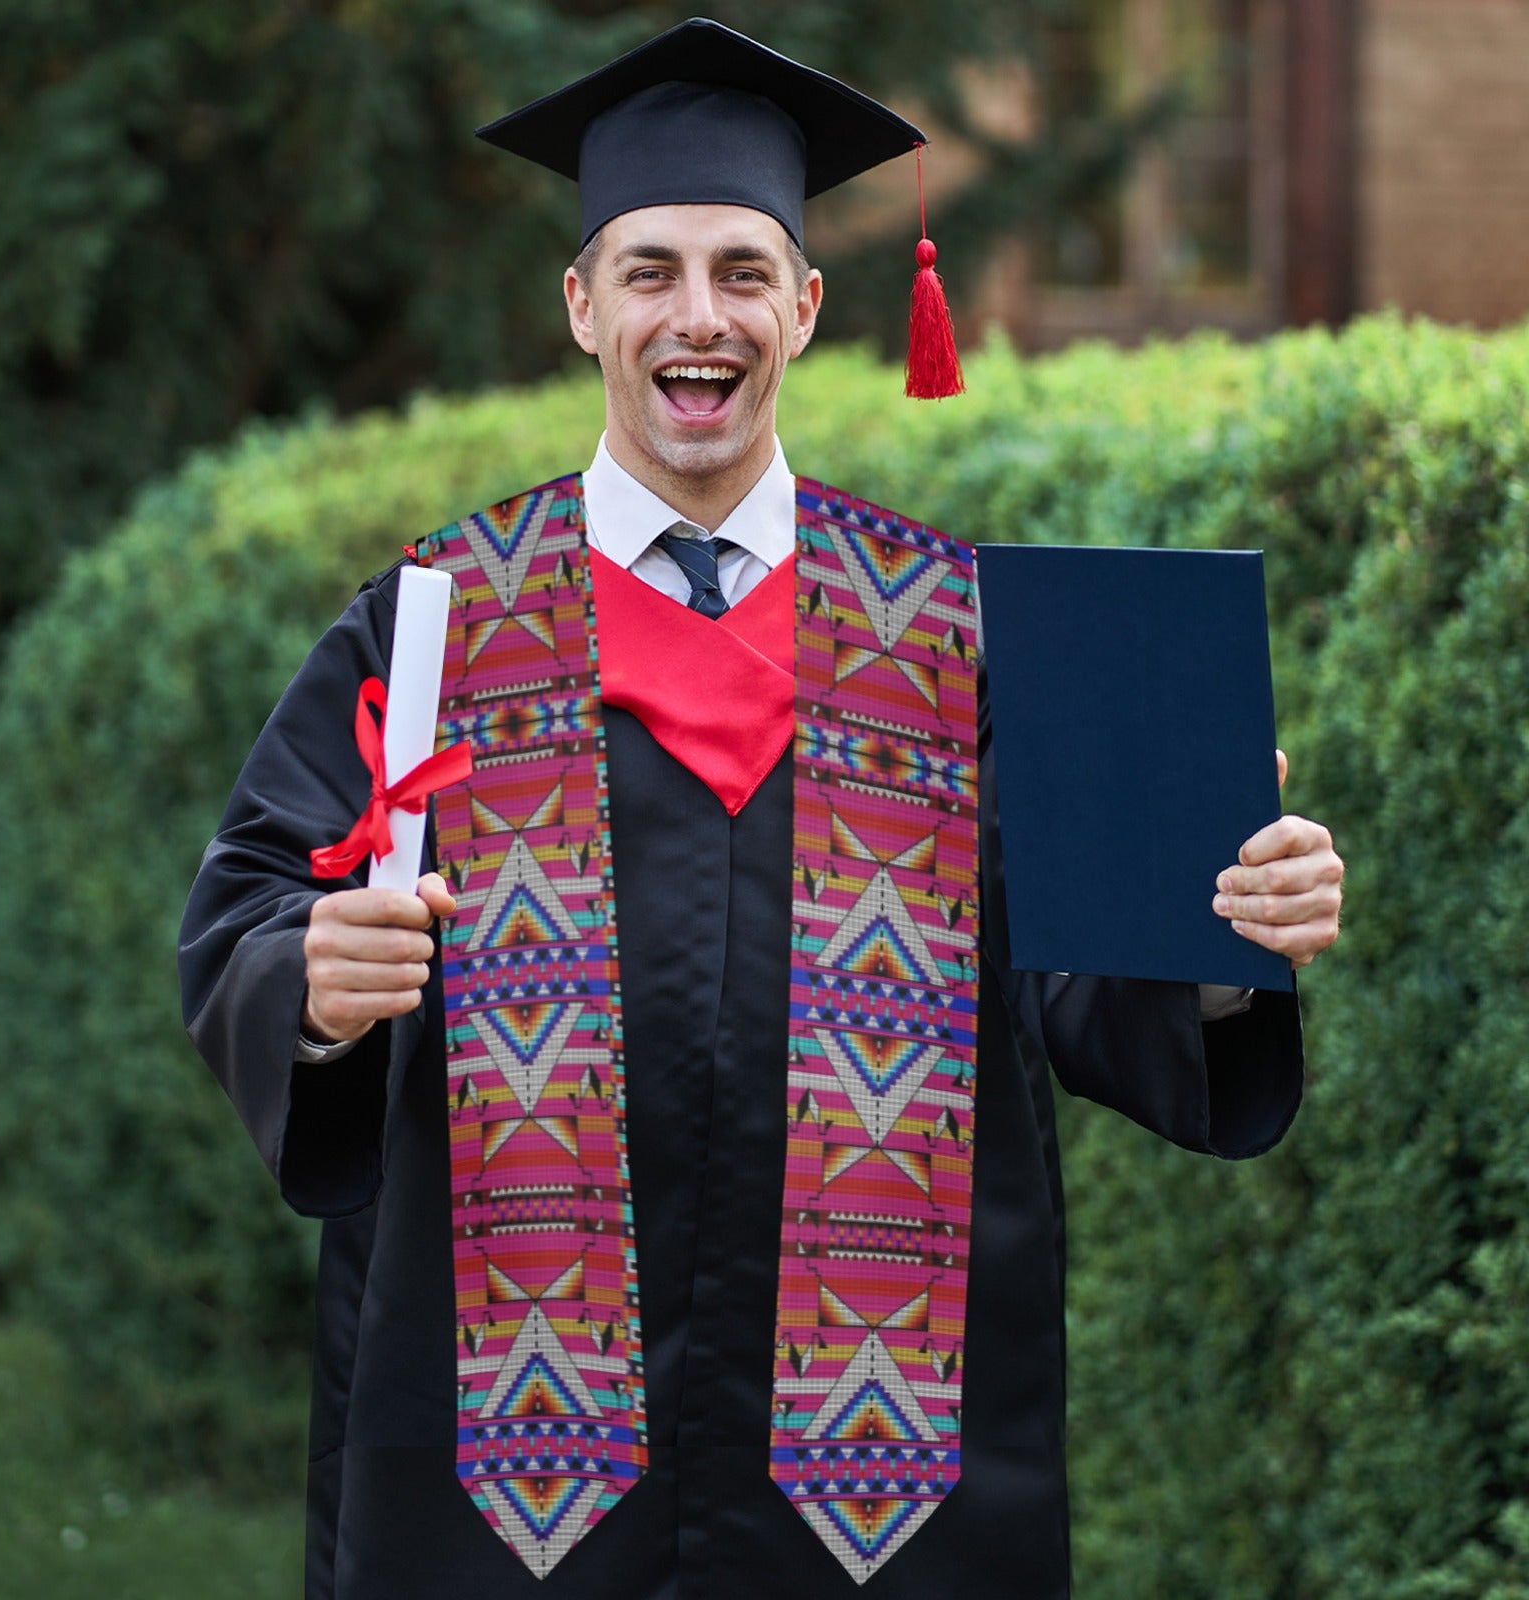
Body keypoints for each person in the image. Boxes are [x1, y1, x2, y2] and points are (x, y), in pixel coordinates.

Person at [178, 19, 1344, 1600]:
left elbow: (1083, 980)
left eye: (741, 271)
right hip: (508, 1477)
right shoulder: (441, 622)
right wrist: (308, 984)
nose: (697, 316)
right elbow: (251, 903)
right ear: (583, 305)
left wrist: (1222, 934)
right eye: (650, 270)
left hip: (885, 1482)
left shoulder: (958, 631)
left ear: (805, 305)